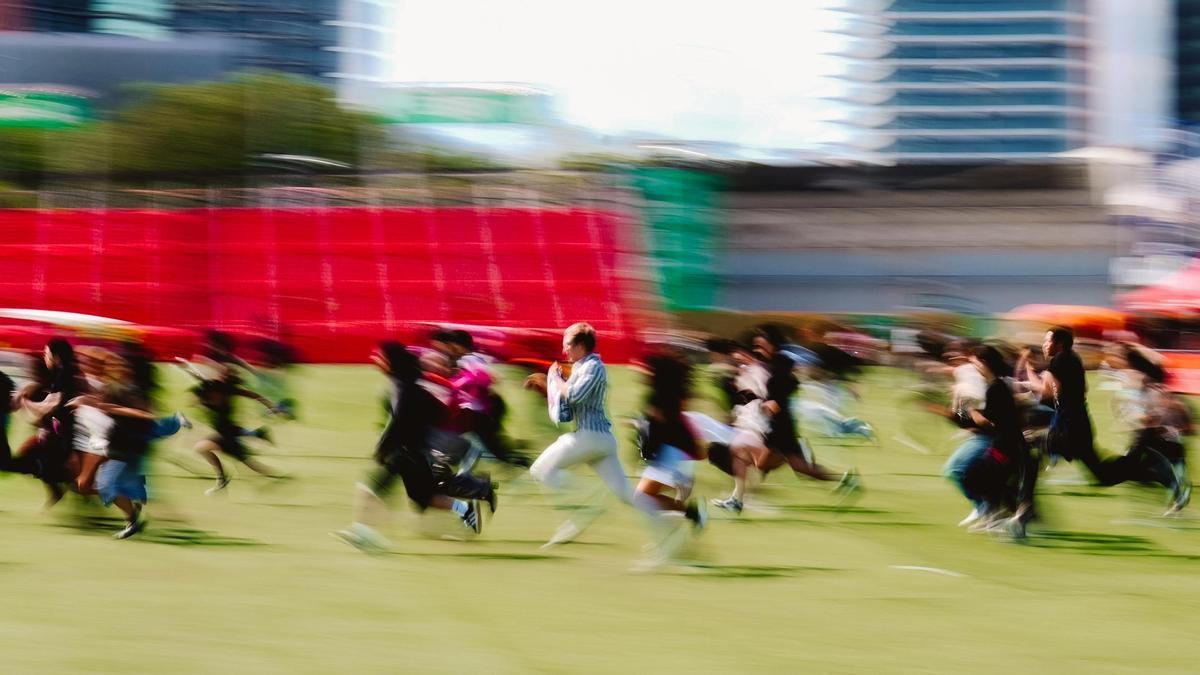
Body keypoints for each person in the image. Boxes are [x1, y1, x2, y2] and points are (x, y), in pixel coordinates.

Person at [1018, 327, 1187, 516]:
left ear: (1059, 343)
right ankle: (1153, 471)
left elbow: (1046, 391)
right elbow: (1079, 389)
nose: (1044, 344)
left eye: (1047, 341)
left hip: (1068, 428)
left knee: (1028, 449)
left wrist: (1029, 370)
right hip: (1079, 424)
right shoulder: (1073, 359)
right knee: (1104, 475)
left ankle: (1024, 509)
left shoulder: (1059, 361)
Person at [335, 341, 483, 552]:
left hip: (406, 452)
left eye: (380, 357)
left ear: (390, 362)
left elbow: (398, 421)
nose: (376, 360)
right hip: (411, 452)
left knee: (371, 487)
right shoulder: (404, 383)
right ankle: (465, 509)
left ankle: (364, 533)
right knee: (424, 497)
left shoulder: (404, 387)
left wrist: (383, 446)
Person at [526, 322, 648, 548]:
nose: (565, 351)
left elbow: (574, 396)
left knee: (539, 471)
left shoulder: (594, 367)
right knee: (627, 496)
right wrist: (547, 388)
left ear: (580, 345)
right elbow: (568, 408)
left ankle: (586, 504)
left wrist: (555, 380)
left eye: (567, 345)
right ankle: (682, 518)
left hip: (591, 437)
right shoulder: (582, 367)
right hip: (599, 440)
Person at [932, 345, 1031, 534]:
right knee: (987, 482)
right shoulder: (995, 385)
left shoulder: (995, 387)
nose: (973, 366)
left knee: (976, 478)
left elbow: (986, 421)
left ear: (984, 363)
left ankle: (1001, 519)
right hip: (1005, 444)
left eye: (975, 361)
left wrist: (969, 409)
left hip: (1006, 446)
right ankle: (999, 518)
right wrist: (957, 412)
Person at [630, 350, 708, 567]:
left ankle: (686, 520)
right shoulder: (670, 393)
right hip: (677, 455)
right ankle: (671, 547)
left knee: (643, 499)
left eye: (642, 368)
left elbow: (661, 428)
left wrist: (641, 425)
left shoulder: (659, 396)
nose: (637, 371)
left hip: (671, 456)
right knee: (647, 501)